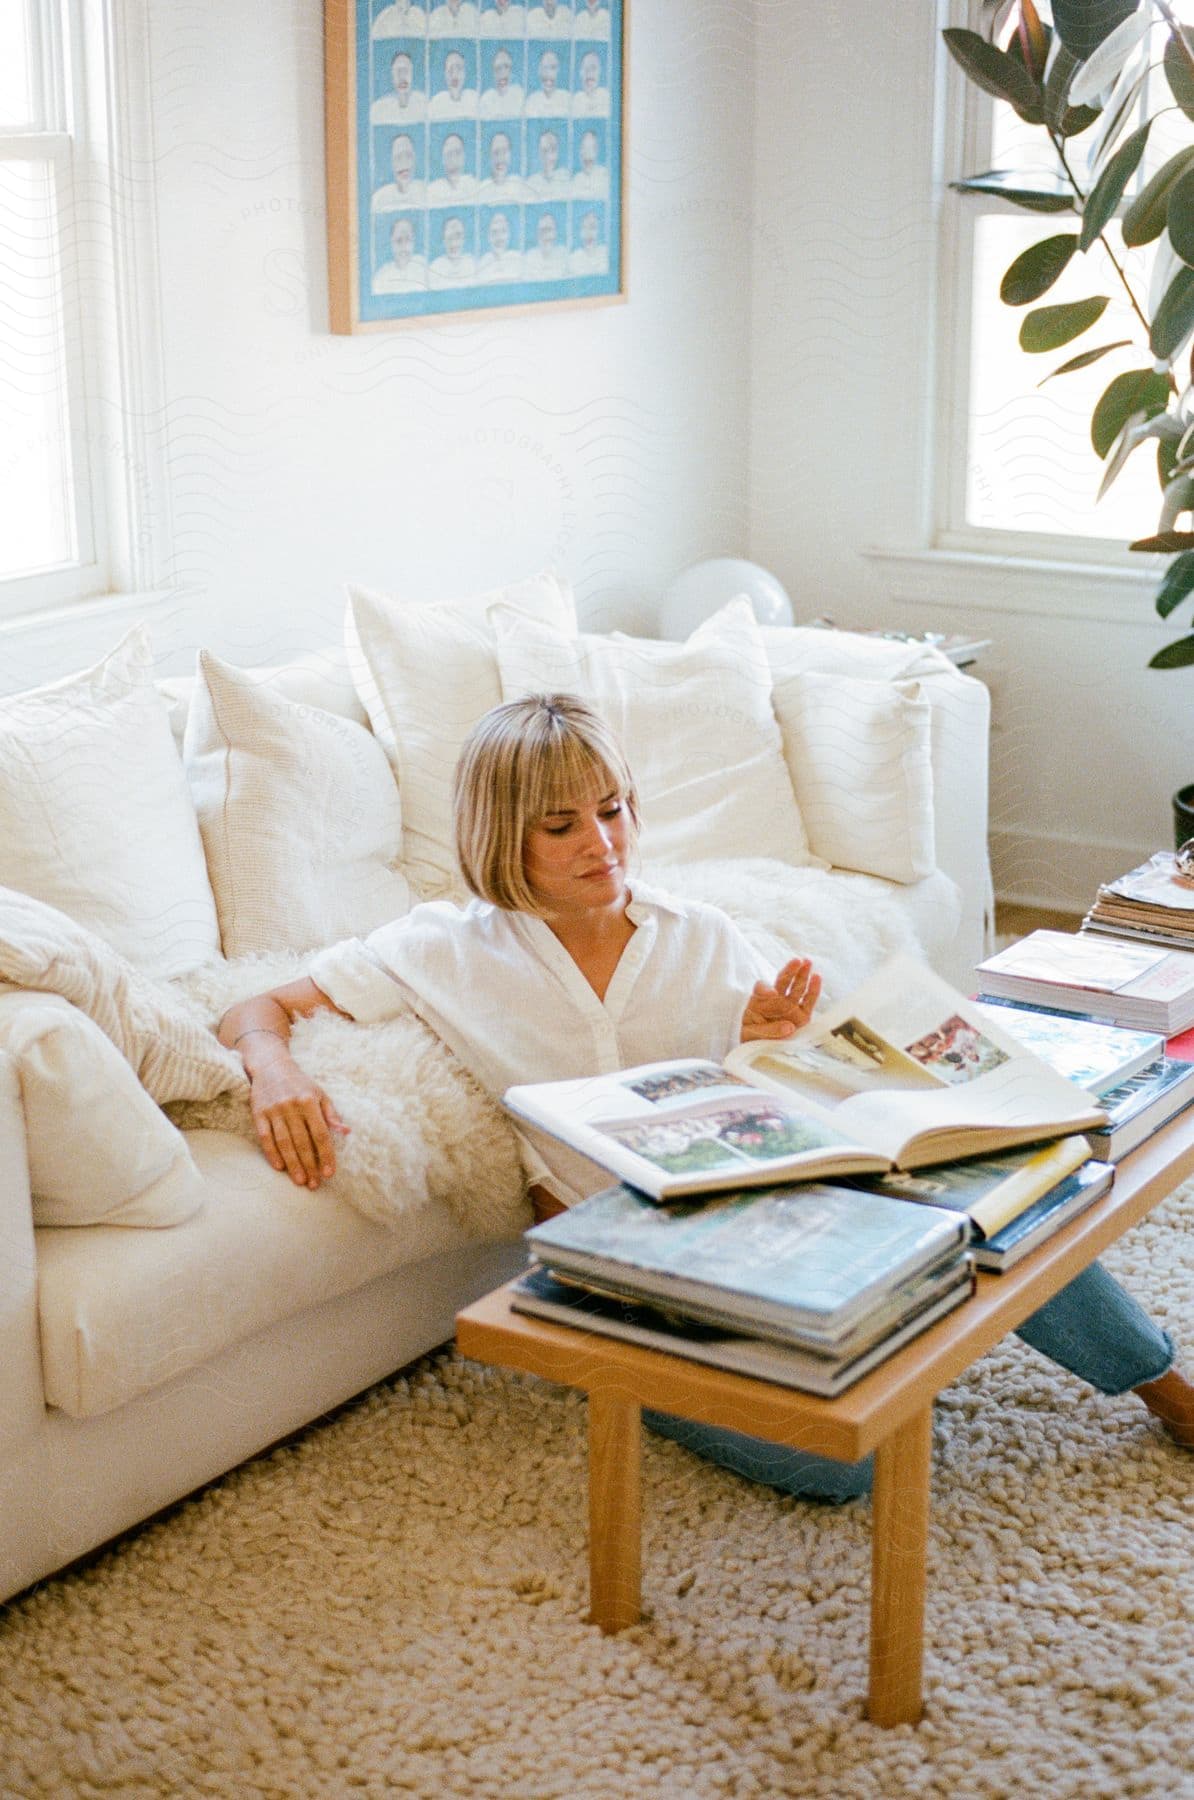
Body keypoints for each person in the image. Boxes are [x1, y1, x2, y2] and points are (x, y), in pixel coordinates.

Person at [219, 695, 1194, 1494]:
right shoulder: (441, 948)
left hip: (764, 1209)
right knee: (834, 1471)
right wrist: (279, 1071)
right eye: (561, 826)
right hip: (620, 1252)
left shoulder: (700, 934)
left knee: (1006, 1199)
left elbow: (794, 1084)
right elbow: (258, 1002)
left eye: (615, 809)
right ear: (500, 837)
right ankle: (735, 1370)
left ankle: (1164, 1384)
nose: (602, 842)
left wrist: (765, 1044)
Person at [371, 50, 428, 124]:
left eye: (406, 70)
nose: (402, 76)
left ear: (412, 74)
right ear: (392, 75)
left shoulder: (424, 104)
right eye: (398, 70)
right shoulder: (379, 109)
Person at [373, 214, 428, 291]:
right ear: (391, 243)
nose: (403, 246)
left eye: (408, 239)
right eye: (399, 240)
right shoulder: (381, 276)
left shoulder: (424, 268)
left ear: (414, 242)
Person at [372, 133, 425, 211]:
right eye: (398, 157)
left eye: (408, 156)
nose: (404, 163)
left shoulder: (426, 192)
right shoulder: (379, 199)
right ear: (391, 162)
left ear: (415, 160)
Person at [427, 131, 479, 202]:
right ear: (443, 160)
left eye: (458, 153)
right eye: (449, 154)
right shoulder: (432, 191)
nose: (453, 159)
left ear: (464, 157)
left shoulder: (474, 186)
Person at [429, 48, 478, 118]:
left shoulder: (474, 99)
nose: (454, 75)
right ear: (445, 74)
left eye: (459, 68)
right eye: (450, 69)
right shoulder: (436, 104)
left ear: (464, 73)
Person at [428, 213, 476, 283]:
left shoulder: (471, 263)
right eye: (450, 238)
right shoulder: (435, 267)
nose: (454, 243)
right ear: (444, 240)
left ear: (463, 239)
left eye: (458, 237)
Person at [478, 131, 527, 199]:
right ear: (489, 156)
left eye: (504, 152)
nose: (500, 158)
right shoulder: (482, 189)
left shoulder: (519, 185)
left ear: (510, 155)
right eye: (496, 152)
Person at [477, 209, 523, 281]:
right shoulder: (483, 263)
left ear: (509, 234)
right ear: (488, 236)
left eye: (503, 231)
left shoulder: (518, 259)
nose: (499, 237)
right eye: (494, 232)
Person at [478, 47, 525, 119]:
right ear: (493, 73)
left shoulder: (519, 94)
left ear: (511, 71)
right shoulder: (486, 99)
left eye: (506, 66)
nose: (502, 72)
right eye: (498, 68)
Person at [523, 209, 568, 278]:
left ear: (555, 232)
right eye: (542, 230)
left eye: (549, 229)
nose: (546, 234)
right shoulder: (529, 257)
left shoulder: (563, 254)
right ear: (537, 233)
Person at [526, 127, 571, 196]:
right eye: (544, 151)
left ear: (558, 152)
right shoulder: (531, 182)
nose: (548, 156)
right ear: (539, 153)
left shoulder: (566, 177)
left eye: (553, 150)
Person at [525, 48, 568, 115]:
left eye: (552, 67)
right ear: (539, 71)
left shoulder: (567, 98)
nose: (548, 73)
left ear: (558, 71)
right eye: (545, 67)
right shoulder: (532, 100)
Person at [570, 126, 608, 197]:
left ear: (596, 151)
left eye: (590, 148)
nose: (587, 153)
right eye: (584, 148)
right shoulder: (576, 180)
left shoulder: (604, 176)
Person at [568, 206, 607, 274]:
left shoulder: (605, 253)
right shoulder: (573, 258)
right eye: (584, 228)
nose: (588, 233)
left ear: (599, 230)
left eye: (592, 227)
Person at [571, 49, 609, 116]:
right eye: (585, 68)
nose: (589, 73)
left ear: (599, 71)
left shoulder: (606, 97)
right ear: (580, 72)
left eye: (593, 68)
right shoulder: (575, 100)